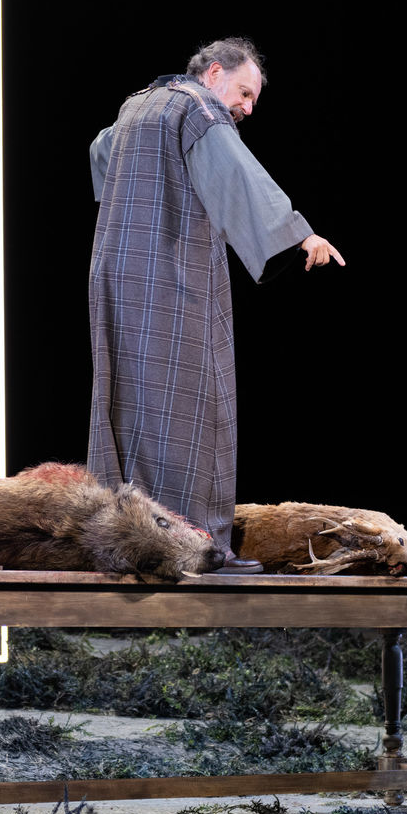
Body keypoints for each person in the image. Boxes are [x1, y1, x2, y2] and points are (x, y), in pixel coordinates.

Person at [87, 37, 343, 569]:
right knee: (197, 403)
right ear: (214, 73)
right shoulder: (199, 108)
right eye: (244, 93)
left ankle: (128, 542)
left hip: (118, 275)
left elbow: (100, 154)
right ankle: (200, 548)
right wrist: (300, 234)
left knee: (129, 405)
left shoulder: (136, 105)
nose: (247, 108)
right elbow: (237, 174)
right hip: (173, 277)